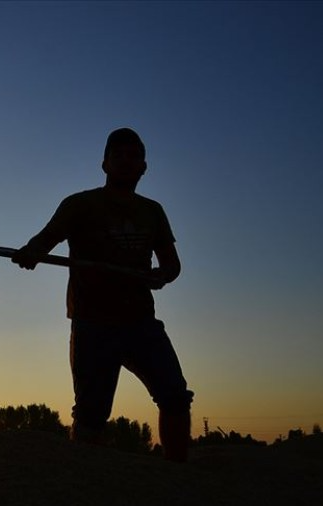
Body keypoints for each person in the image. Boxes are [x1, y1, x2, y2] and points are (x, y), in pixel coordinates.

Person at [11, 128, 193, 462]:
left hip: (140, 322)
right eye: (118, 155)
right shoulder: (80, 205)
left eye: (133, 156)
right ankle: (84, 481)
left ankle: (178, 472)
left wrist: (161, 276)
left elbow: (172, 264)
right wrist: (31, 252)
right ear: (104, 164)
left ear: (144, 167)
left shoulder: (152, 211)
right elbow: (46, 238)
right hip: (93, 324)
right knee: (92, 415)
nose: (126, 161)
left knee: (175, 396)